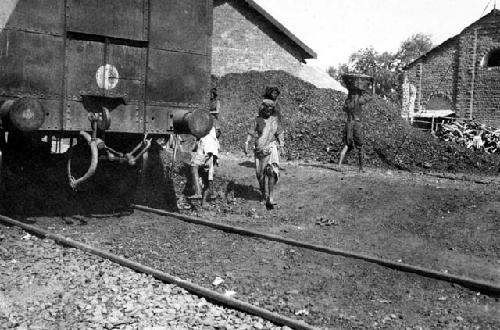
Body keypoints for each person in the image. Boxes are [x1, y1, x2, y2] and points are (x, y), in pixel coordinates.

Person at [244, 87, 284, 209]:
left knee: (271, 172)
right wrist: (246, 143)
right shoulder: (257, 120)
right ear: (263, 109)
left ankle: (270, 197)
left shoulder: (274, 120)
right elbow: (251, 132)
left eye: (271, 110)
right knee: (260, 175)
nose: (268, 111)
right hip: (259, 150)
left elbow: (280, 132)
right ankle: (263, 194)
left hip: (271, 147)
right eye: (266, 109)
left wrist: (281, 145)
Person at [187, 89, 221, 205]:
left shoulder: (203, 116)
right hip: (214, 149)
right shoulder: (214, 119)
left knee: (194, 166)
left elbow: (198, 131)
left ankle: (197, 191)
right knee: (208, 175)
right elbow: (218, 133)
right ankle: (204, 202)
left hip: (206, 145)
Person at [338, 74, 372, 172]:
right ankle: (361, 168)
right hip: (357, 124)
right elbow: (370, 97)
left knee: (346, 145)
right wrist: (371, 85)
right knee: (360, 146)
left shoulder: (348, 101)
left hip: (349, 123)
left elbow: (344, 108)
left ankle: (339, 166)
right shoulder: (359, 100)